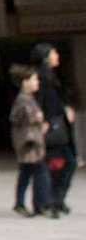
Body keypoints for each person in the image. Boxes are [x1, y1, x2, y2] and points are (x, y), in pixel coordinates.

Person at [31, 42, 76, 214]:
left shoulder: (51, 75)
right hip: (51, 127)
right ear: (46, 57)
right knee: (57, 165)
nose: (57, 55)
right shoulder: (42, 76)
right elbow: (41, 100)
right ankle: (49, 201)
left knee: (64, 164)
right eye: (54, 52)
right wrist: (43, 120)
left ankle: (55, 199)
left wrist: (65, 108)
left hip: (57, 125)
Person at [11, 65, 57, 218]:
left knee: (26, 173)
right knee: (41, 172)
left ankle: (20, 203)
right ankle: (42, 205)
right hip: (29, 144)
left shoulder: (29, 99)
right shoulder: (22, 100)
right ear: (25, 82)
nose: (37, 82)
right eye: (34, 79)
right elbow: (16, 118)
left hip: (31, 142)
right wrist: (36, 119)